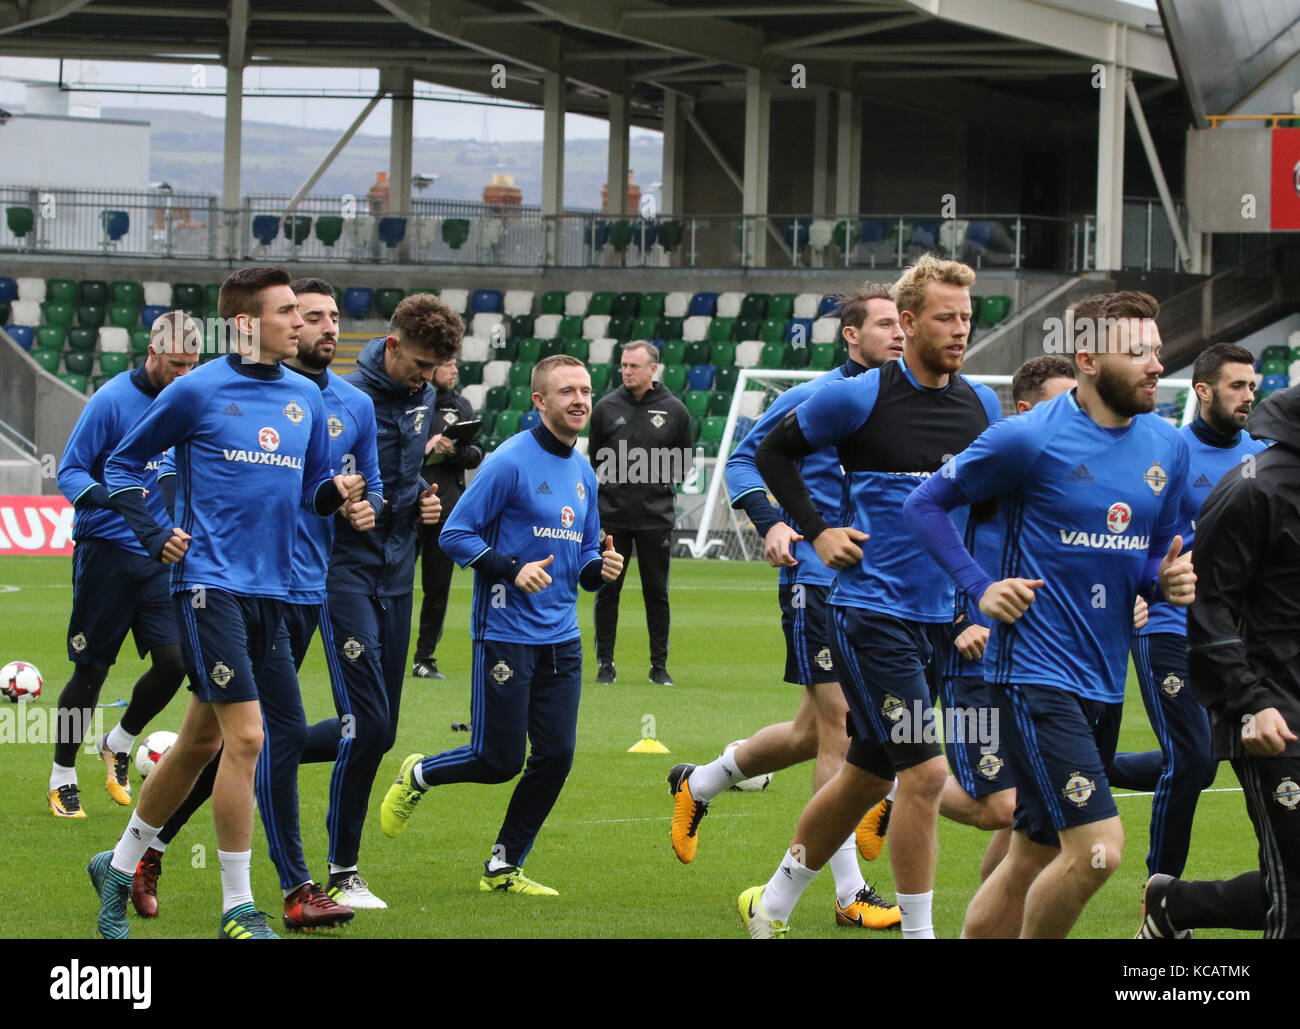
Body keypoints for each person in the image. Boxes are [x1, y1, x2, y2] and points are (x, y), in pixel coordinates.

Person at [86, 265, 370, 940]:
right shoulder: (199, 389)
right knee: (248, 736)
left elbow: (310, 493)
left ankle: (118, 862)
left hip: (275, 591)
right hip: (210, 586)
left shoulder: (306, 397)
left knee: (198, 740)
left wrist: (342, 493)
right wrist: (155, 531)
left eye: (301, 313)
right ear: (246, 323)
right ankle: (238, 906)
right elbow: (121, 466)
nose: (300, 323)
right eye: (286, 313)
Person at [906, 290, 1195, 939]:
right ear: (1090, 358)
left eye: (1158, 348)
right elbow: (924, 504)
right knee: (1099, 849)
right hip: (1033, 676)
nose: (1156, 363)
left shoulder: (1166, 447)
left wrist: (1165, 579)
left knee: (1031, 852)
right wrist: (979, 587)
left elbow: (1152, 554)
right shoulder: (1026, 438)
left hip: (1104, 680)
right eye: (1139, 350)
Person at [740, 255, 1003, 939]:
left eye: (966, 318)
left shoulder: (983, 404)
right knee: (923, 772)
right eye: (945, 317)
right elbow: (771, 455)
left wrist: (978, 605)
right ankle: (921, 935)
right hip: (869, 615)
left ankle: (771, 903)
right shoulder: (856, 396)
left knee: (866, 775)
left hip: (942, 622)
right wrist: (817, 529)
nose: (959, 330)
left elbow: (987, 511)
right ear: (909, 322)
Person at [666, 284, 905, 930]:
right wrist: (773, 522)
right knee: (842, 726)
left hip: (877, 587)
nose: (899, 333)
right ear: (850, 335)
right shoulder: (820, 396)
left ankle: (704, 782)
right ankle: (848, 891)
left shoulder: (904, 404)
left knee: (809, 731)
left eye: (901, 323)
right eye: (885, 323)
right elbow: (746, 458)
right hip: (816, 577)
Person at [379, 354, 624, 896]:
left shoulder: (583, 470)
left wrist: (599, 569)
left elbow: (584, 560)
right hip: (506, 635)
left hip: (562, 638)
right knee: (498, 760)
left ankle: (503, 865)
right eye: (567, 392)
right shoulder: (508, 462)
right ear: (540, 401)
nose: (580, 400)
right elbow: (453, 534)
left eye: (585, 390)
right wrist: (513, 570)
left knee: (557, 754)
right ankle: (419, 773)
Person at [312, 292, 456, 910]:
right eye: (421, 365)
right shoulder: (338, 398)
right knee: (367, 724)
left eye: (436, 371)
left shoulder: (424, 399)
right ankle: (341, 869)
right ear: (392, 346)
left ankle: (267, 744)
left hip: (398, 576)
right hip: (341, 571)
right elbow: (307, 482)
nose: (429, 380)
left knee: (382, 727)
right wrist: (340, 500)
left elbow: (398, 482)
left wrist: (421, 500)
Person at [1109, 342, 1266, 883]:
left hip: (1237, 637)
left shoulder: (1261, 454)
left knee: (1236, 756)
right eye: (1237, 386)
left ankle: (1089, 762)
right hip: (1168, 626)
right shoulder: (1167, 452)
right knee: (1195, 761)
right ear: (1203, 391)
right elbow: (1133, 536)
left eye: (1253, 385)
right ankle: (1162, 894)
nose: (1249, 395)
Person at [935, 355, 1078, 883]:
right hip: (976, 657)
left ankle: (995, 921)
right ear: (1025, 408)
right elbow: (925, 533)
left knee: (1028, 813)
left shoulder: (1071, 471)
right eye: (1063, 402)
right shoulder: (991, 463)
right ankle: (889, 786)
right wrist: (955, 619)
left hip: (1040, 661)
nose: (1074, 414)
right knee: (997, 807)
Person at [48, 311, 197, 817]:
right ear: (152, 353)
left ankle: (117, 740)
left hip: (160, 556)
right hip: (107, 552)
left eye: (192, 365)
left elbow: (179, 468)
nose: (183, 374)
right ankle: (62, 775)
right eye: (175, 363)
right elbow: (68, 470)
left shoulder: (189, 400)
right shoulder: (111, 399)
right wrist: (119, 502)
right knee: (91, 669)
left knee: (176, 662)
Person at [1183, 384, 1300, 938]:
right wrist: (1250, 702)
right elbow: (1210, 606)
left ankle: (1176, 906)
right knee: (1296, 893)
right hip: (1273, 715)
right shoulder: (1254, 488)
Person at [588, 340, 692, 685]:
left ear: (653, 369)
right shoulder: (605, 408)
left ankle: (659, 667)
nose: (627, 372)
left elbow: (683, 462)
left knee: (656, 593)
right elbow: (596, 459)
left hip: (655, 518)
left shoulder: (675, 410)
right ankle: (605, 664)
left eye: (634, 366)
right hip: (612, 518)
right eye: (623, 365)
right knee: (607, 591)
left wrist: (655, 483)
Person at [412, 355, 484, 680]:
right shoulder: (410, 400)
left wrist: (454, 450)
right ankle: (383, 647)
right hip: (407, 505)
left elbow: (476, 455)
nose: (455, 369)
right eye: (449, 364)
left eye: (457, 363)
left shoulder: (462, 406)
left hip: (445, 507)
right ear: (431, 368)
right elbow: (388, 449)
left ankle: (424, 657)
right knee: (393, 582)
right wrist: (425, 446)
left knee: (438, 586)